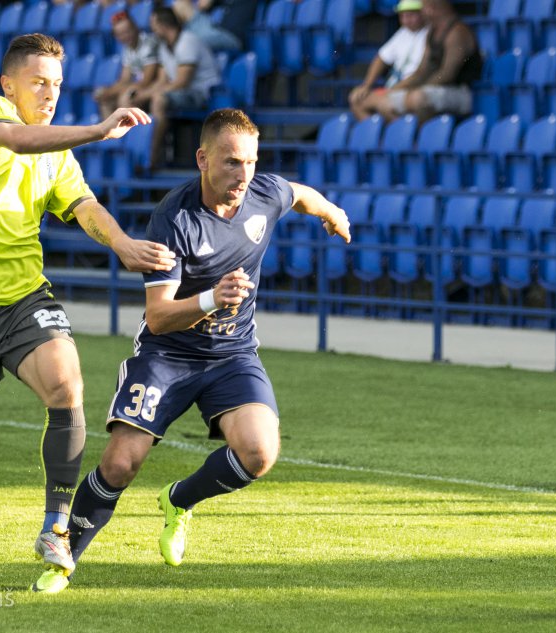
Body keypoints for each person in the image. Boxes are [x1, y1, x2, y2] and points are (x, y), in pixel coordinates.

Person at [43, 108, 351, 593]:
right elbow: (159, 316)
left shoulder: (263, 194)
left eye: (250, 162)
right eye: (231, 162)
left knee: (259, 453)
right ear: (203, 159)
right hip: (167, 355)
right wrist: (212, 298)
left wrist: (331, 212)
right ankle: (63, 561)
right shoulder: (174, 218)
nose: (243, 174)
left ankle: (179, 500)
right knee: (121, 463)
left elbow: (299, 194)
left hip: (232, 355)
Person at [0, 33, 176, 594]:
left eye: (56, 83)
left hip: (23, 299)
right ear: (8, 85)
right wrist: (99, 129)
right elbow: (18, 140)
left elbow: (84, 206)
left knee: (66, 386)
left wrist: (122, 243)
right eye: (38, 82)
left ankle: (56, 526)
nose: (50, 93)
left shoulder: (58, 152)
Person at [146, 7, 222, 171]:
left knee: (159, 99)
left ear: (164, 25)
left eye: (154, 25)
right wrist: (141, 95)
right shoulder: (164, 47)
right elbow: (161, 81)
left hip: (201, 94)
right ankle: (139, 155)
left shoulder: (187, 40)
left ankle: (152, 157)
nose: (152, 29)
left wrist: (152, 94)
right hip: (181, 93)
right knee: (144, 99)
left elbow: (182, 82)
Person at [398, 0, 482, 122]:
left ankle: (426, 133)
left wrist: (417, 90)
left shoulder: (457, 32)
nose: (421, 12)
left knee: (417, 98)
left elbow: (447, 74)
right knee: (381, 100)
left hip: (461, 92)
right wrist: (395, 89)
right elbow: (421, 71)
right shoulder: (432, 32)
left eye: (423, 8)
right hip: (433, 88)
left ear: (430, 9)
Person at [348, 0, 430, 121]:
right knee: (356, 100)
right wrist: (366, 85)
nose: (406, 20)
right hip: (395, 88)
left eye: (411, 15)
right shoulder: (403, 32)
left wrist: (391, 91)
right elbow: (381, 58)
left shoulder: (432, 33)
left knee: (385, 105)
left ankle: (403, 131)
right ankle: (379, 132)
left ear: (423, 13)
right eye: (402, 16)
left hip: (414, 88)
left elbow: (421, 74)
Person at [92, 10, 160, 117]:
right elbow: (125, 79)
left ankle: (131, 129)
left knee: (124, 98)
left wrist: (112, 91)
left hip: (153, 86)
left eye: (127, 31)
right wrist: (107, 91)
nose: (125, 36)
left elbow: (147, 80)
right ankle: (111, 129)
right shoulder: (127, 49)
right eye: (120, 34)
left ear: (135, 28)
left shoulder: (149, 43)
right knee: (106, 101)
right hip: (137, 86)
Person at [172, 0, 260, 52]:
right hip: (216, 31)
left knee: (187, 42)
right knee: (181, 3)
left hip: (231, 38)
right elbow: (203, 5)